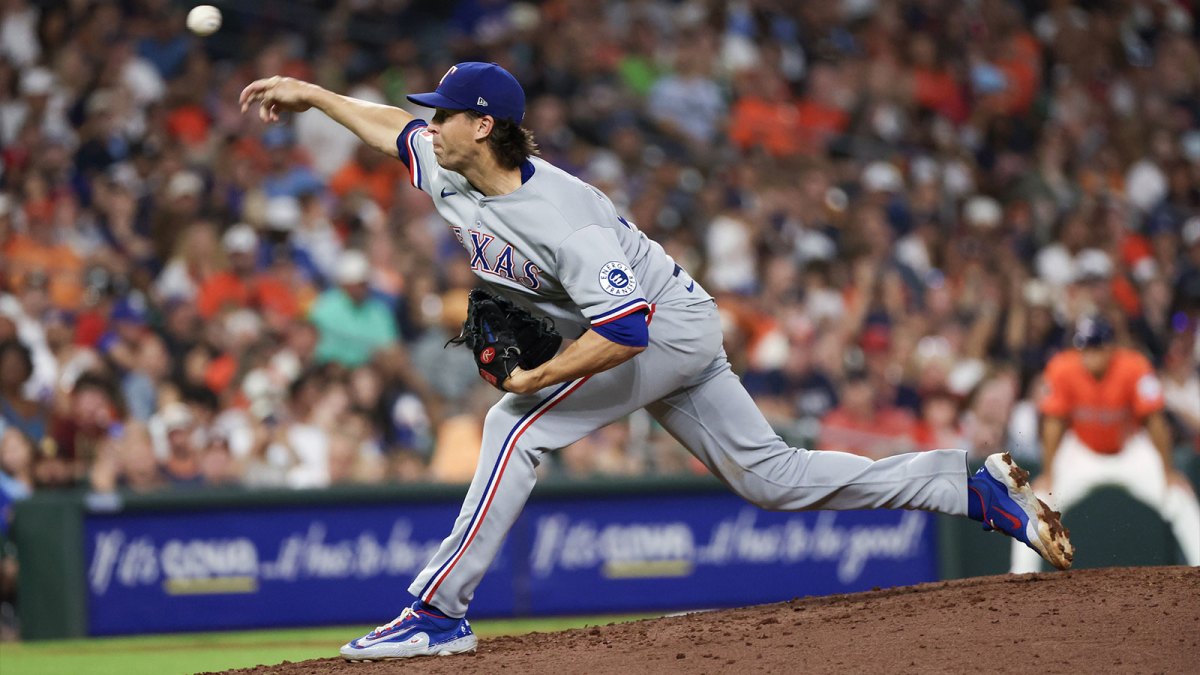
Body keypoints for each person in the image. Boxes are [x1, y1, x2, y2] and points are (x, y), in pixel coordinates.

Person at [239, 62, 1075, 662]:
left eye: (447, 114)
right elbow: (394, 128)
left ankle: (437, 610)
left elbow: (626, 333)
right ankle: (967, 487)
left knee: (512, 423)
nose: (431, 123)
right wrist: (312, 95)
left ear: (483, 126)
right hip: (673, 321)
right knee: (772, 478)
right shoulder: (455, 171)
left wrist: (535, 378)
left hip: (661, 327)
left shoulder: (567, 219)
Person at [1010, 315, 1200, 573]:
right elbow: (1053, 424)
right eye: (1085, 347)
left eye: (1096, 347)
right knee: (1036, 503)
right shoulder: (1063, 367)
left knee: (1179, 497)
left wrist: (1167, 471)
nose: (1090, 354)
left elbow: (1155, 421)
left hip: (1130, 450)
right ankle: (1019, 579)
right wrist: (1049, 472)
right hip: (1082, 451)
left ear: (1110, 346)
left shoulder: (1134, 365)